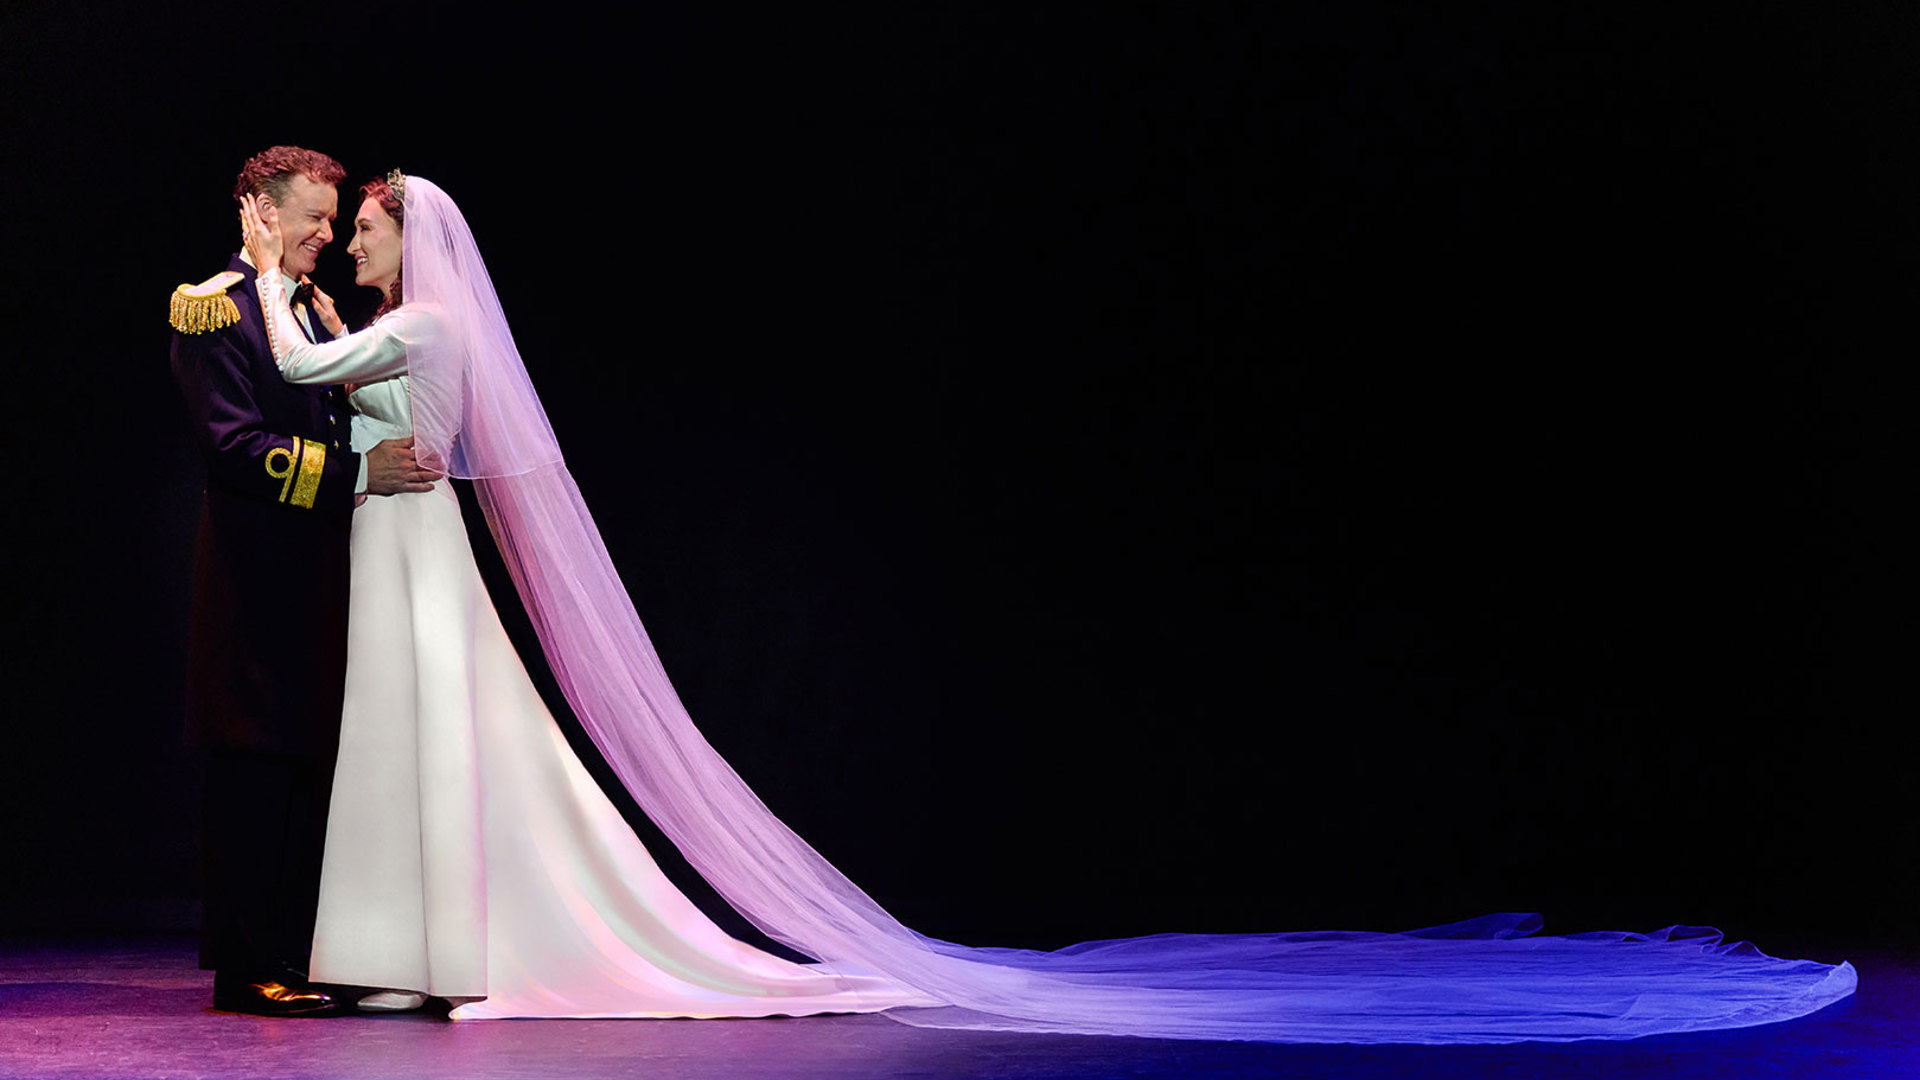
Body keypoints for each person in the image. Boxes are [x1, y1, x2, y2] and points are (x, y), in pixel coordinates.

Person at [238, 174, 1857, 1042]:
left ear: (403, 234)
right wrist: (328, 379)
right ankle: (411, 941)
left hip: (412, 546)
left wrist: (259, 284)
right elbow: (358, 409)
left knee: (447, 743)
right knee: (420, 746)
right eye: (345, 224)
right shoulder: (427, 325)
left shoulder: (422, 321)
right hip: (393, 537)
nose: (351, 236)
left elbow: (320, 368)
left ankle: (451, 941)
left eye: (360, 223)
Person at [168, 146, 439, 1018]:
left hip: (323, 571)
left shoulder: (312, 316)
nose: (327, 233)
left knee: (307, 766)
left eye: (334, 218)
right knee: (255, 765)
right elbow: (236, 447)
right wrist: (360, 473)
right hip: (255, 574)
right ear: (262, 209)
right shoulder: (213, 308)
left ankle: (295, 949)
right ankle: (248, 966)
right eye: (315, 216)